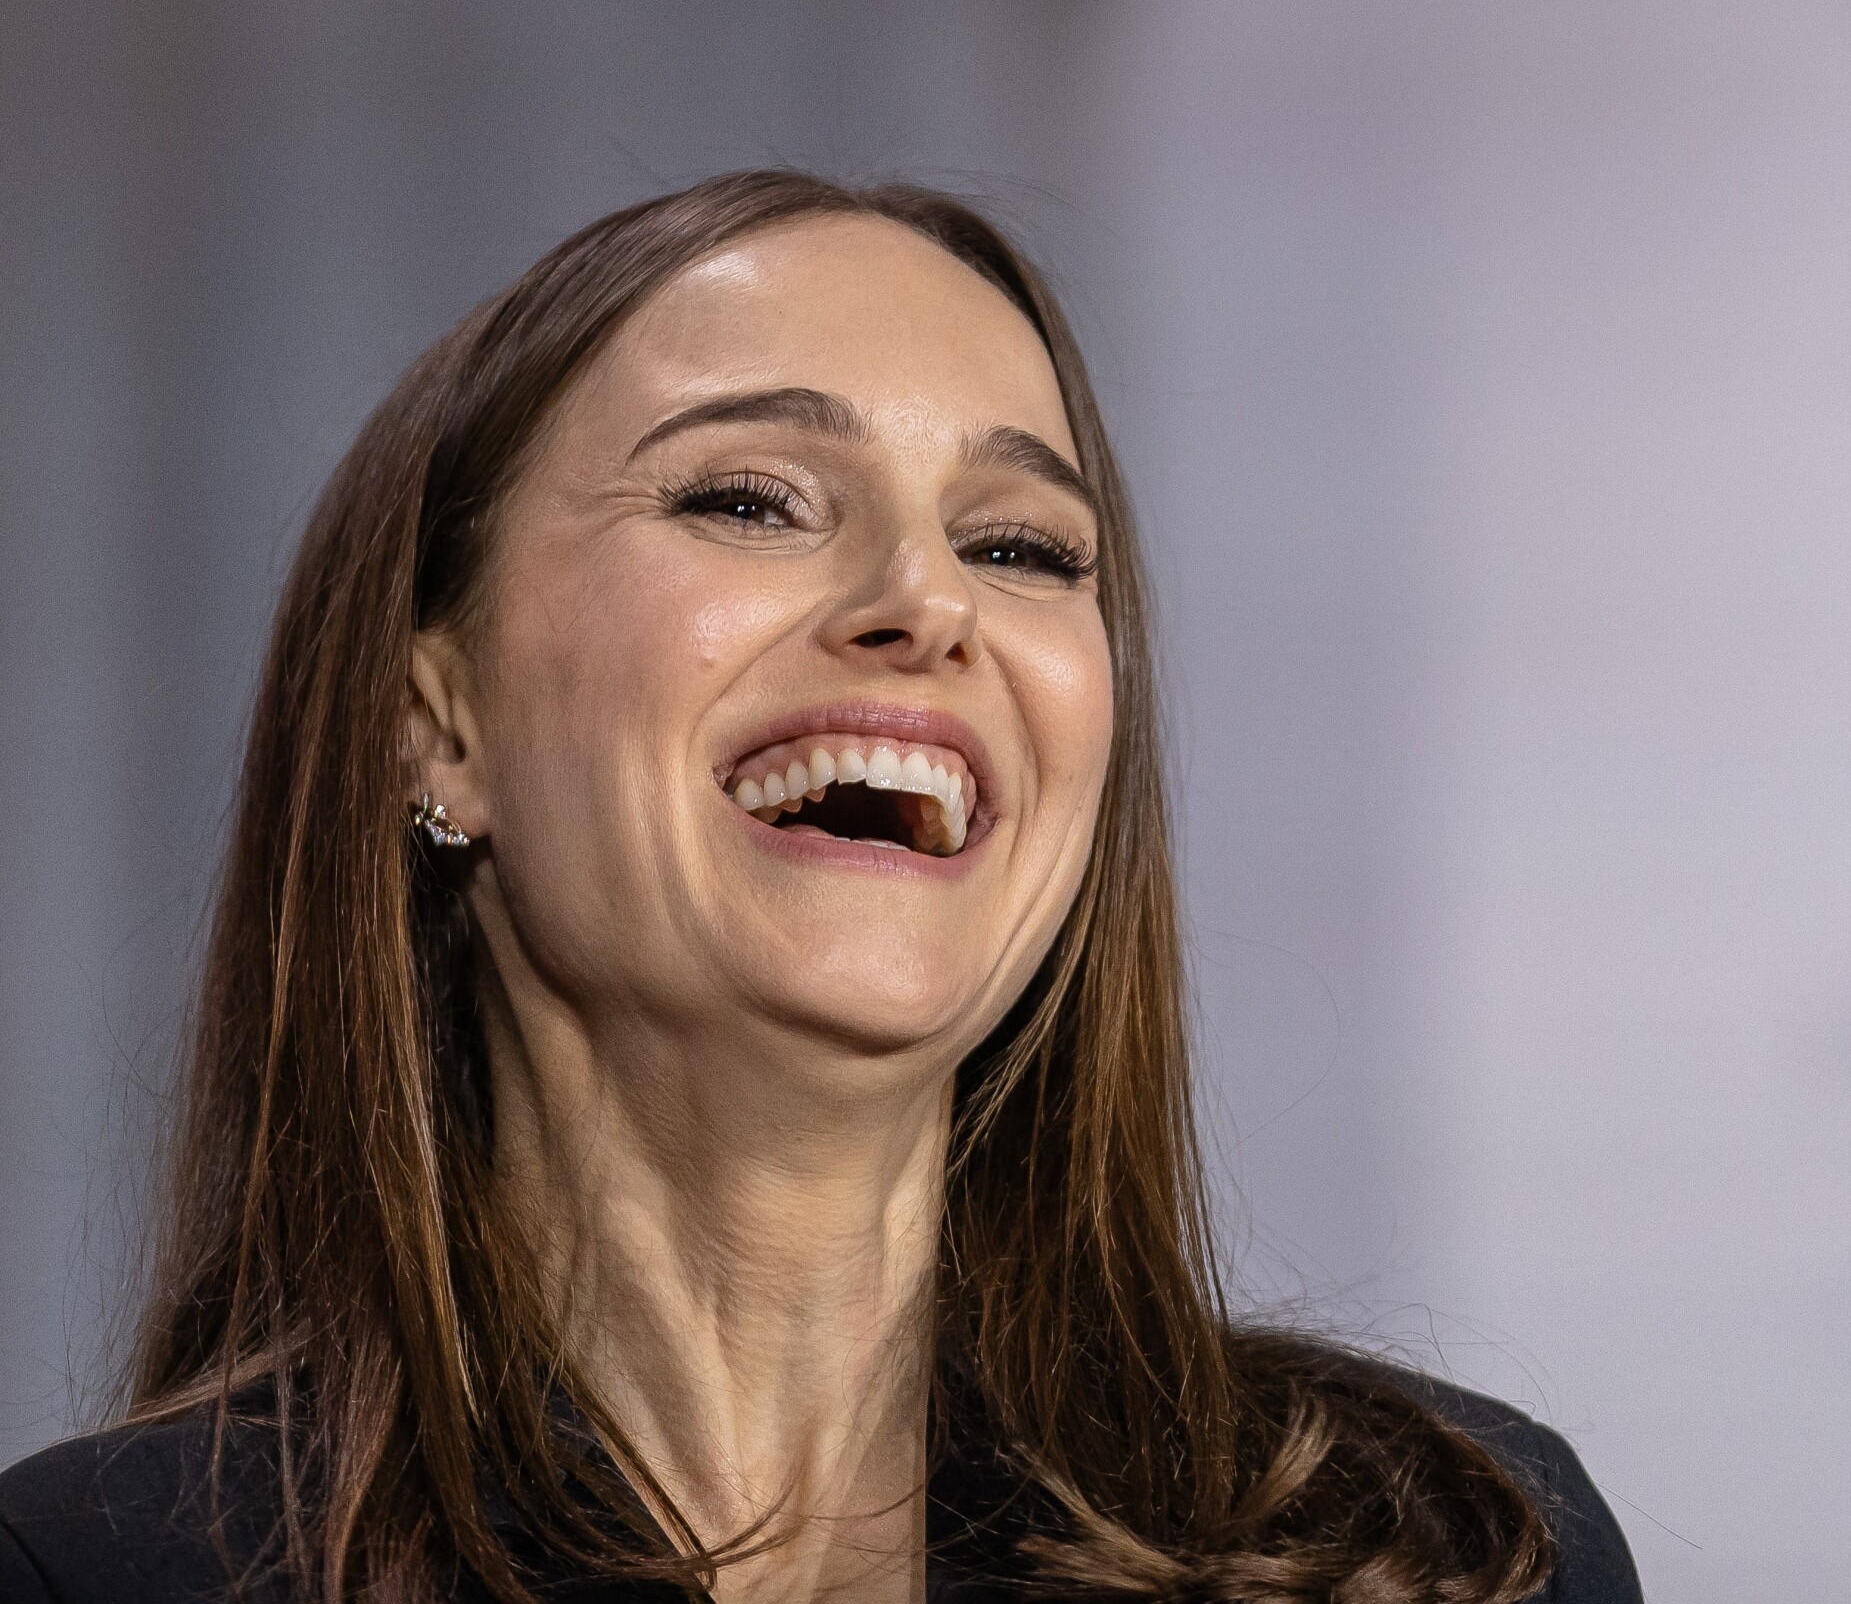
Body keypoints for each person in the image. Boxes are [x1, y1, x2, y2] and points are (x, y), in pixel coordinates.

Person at [0, 173, 1640, 1604]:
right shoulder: (104, 1574)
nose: (927, 601)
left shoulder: (1451, 1555)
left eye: (1020, 549)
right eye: (748, 500)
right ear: (438, 724)